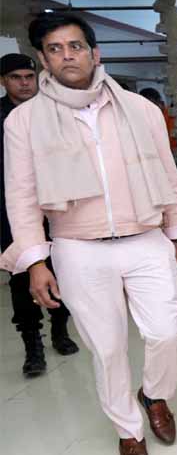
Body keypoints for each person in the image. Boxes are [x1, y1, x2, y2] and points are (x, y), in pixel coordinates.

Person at [1, 12, 177, 455]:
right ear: (43, 59)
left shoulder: (139, 109)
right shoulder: (24, 122)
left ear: (95, 53)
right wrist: (35, 262)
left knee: (166, 331)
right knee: (107, 347)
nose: (67, 56)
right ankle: (128, 430)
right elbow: (21, 195)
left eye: (75, 46)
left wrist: (175, 233)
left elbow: (167, 174)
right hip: (78, 246)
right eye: (55, 49)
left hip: (145, 236)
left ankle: (155, 395)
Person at [2, 52, 79, 377]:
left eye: (28, 77)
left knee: (61, 270)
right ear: (3, 81)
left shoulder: (52, 113)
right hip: (12, 212)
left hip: (56, 207)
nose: (24, 83)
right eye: (16, 78)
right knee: (23, 277)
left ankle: (60, 330)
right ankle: (32, 345)